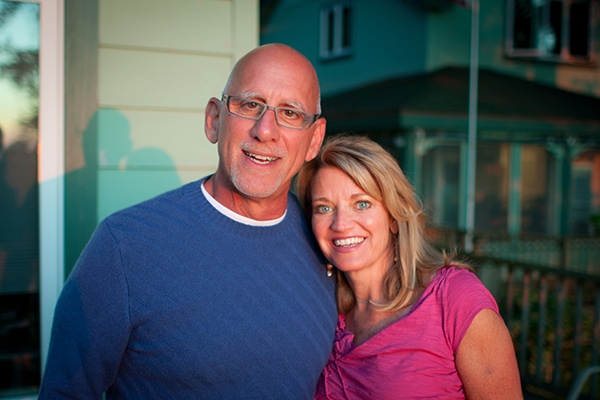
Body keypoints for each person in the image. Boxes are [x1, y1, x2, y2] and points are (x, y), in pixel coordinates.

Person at [39, 43, 337, 399]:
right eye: (250, 105)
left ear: (314, 139)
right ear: (214, 119)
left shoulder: (327, 243)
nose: (265, 130)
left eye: (290, 113)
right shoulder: (124, 248)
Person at [296, 134, 523, 399]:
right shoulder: (320, 310)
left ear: (394, 217)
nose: (341, 224)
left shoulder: (454, 299)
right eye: (324, 208)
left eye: (362, 204)